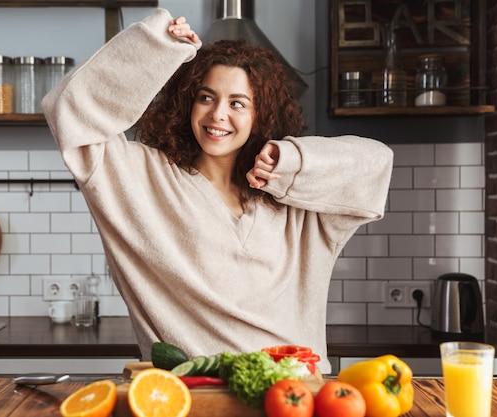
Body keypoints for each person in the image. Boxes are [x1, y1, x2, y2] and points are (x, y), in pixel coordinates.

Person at [42, 8, 393, 374]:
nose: (218, 114)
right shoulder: (139, 178)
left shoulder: (298, 205)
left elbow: (376, 163)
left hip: (292, 400)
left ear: (262, 116)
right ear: (187, 103)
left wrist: (290, 164)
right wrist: (154, 47)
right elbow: (68, 111)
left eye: (237, 103)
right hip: (190, 401)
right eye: (206, 97)